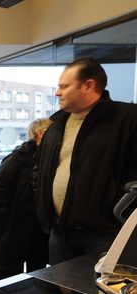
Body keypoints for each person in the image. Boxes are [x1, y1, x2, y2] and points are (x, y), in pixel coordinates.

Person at [35, 57, 137, 265]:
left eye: (64, 86)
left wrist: (114, 208)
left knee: (99, 293)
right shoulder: (56, 125)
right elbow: (38, 169)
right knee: (60, 293)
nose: (57, 92)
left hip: (104, 234)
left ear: (88, 86)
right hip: (59, 233)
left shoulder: (127, 119)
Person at [0, 118, 51, 280]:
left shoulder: (48, 157)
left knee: (37, 271)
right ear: (39, 134)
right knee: (9, 275)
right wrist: (6, 214)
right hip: (14, 225)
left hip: (38, 227)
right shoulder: (17, 157)